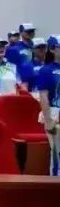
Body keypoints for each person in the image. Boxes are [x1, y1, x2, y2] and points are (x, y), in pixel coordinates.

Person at [35, 36, 60, 174]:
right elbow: (43, 96)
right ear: (52, 49)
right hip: (54, 113)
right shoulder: (46, 70)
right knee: (57, 151)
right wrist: (48, 120)